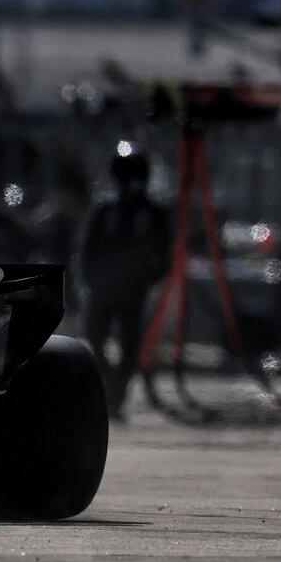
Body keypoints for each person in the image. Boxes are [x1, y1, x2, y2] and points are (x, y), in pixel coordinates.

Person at [78, 149, 171, 420]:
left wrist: (149, 278)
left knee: (129, 345)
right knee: (96, 338)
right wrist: (91, 278)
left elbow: (163, 252)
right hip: (104, 287)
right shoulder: (106, 209)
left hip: (133, 289)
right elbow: (88, 248)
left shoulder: (152, 213)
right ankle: (109, 387)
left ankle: (116, 397)